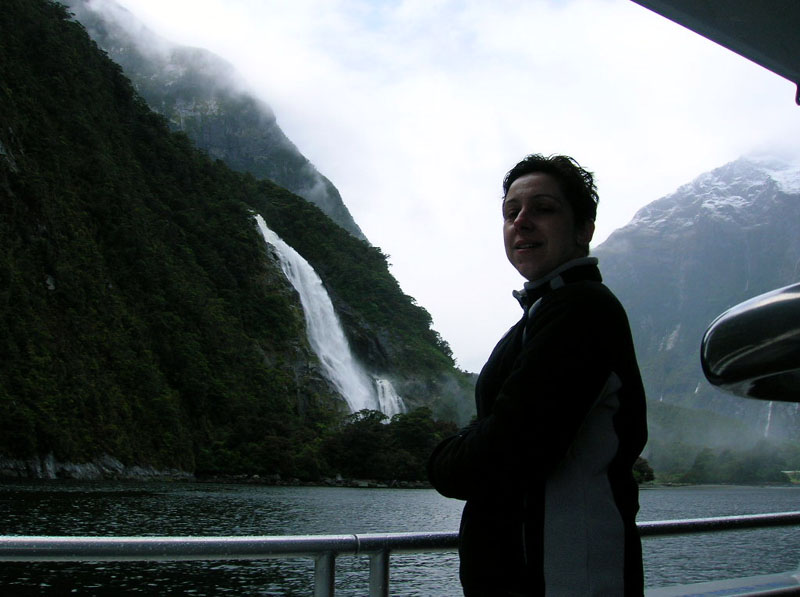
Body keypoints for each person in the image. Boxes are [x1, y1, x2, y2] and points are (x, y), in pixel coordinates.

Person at [428, 154, 648, 596]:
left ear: (583, 230)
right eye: (511, 212)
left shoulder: (580, 309)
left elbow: (512, 446)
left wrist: (441, 460)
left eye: (543, 209)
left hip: (567, 580)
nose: (521, 222)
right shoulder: (543, 313)